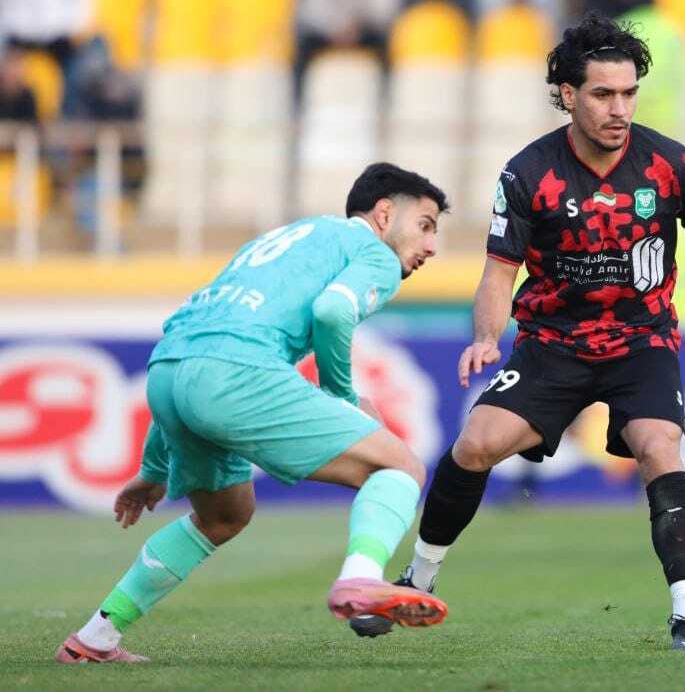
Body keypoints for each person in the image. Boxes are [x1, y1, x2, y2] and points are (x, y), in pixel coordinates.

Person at [349, 13, 685, 650]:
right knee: (475, 444)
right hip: (553, 343)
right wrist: (486, 336)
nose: (620, 109)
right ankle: (418, 578)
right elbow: (500, 271)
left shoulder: (671, 163)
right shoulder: (528, 172)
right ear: (568, 94)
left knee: (659, 447)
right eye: (603, 94)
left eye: (629, 93)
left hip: (642, 340)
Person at [56, 164, 451, 664]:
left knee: (223, 516)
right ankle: (361, 579)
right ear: (385, 213)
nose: (431, 246)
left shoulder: (286, 238)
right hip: (235, 373)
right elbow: (333, 310)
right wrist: (342, 397)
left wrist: (154, 469)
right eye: (425, 225)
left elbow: (198, 341)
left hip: (168, 370)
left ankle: (94, 638)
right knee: (401, 466)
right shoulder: (374, 253)